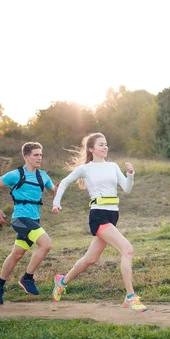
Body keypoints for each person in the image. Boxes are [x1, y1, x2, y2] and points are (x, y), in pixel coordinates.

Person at [51, 132, 146, 312]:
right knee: (128, 250)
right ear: (91, 148)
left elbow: (126, 188)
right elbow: (64, 182)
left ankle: (61, 281)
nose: (105, 147)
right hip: (98, 215)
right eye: (101, 144)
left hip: (113, 215)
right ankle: (130, 297)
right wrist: (57, 203)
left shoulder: (112, 166)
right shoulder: (85, 169)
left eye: (106, 144)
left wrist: (130, 174)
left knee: (90, 259)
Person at [0, 142, 57, 304]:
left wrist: (58, 192)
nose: (39, 157)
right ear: (26, 157)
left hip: (34, 219)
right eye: (35, 155)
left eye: (40, 154)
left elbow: (53, 193)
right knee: (46, 244)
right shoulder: (15, 174)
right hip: (20, 219)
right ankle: (27, 278)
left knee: (17, 254)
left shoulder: (43, 176)